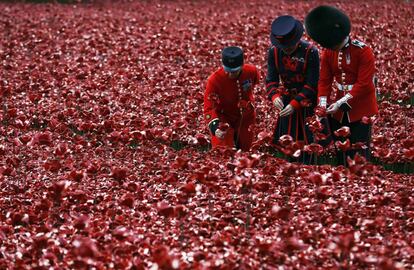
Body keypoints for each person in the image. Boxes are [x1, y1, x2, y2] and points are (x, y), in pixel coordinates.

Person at [305, 5, 378, 165]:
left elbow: (364, 84)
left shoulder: (363, 51)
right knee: (341, 153)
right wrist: (322, 105)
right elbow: (324, 80)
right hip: (338, 111)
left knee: (359, 152)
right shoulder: (329, 51)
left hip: (361, 109)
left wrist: (339, 102)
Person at [266, 15, 320, 163]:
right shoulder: (274, 52)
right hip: (287, 101)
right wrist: (274, 96)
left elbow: (312, 84)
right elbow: (271, 80)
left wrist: (295, 104)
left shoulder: (311, 52)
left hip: (307, 103)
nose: (287, 50)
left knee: (308, 144)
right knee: (288, 144)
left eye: (289, 46)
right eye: (284, 47)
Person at [204, 46, 259, 151]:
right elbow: (209, 107)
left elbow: (255, 82)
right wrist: (215, 128)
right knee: (223, 151)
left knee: (245, 150)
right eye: (227, 70)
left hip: (245, 116)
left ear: (242, 66)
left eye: (234, 71)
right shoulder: (214, 80)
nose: (230, 74)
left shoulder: (251, 71)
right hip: (223, 117)